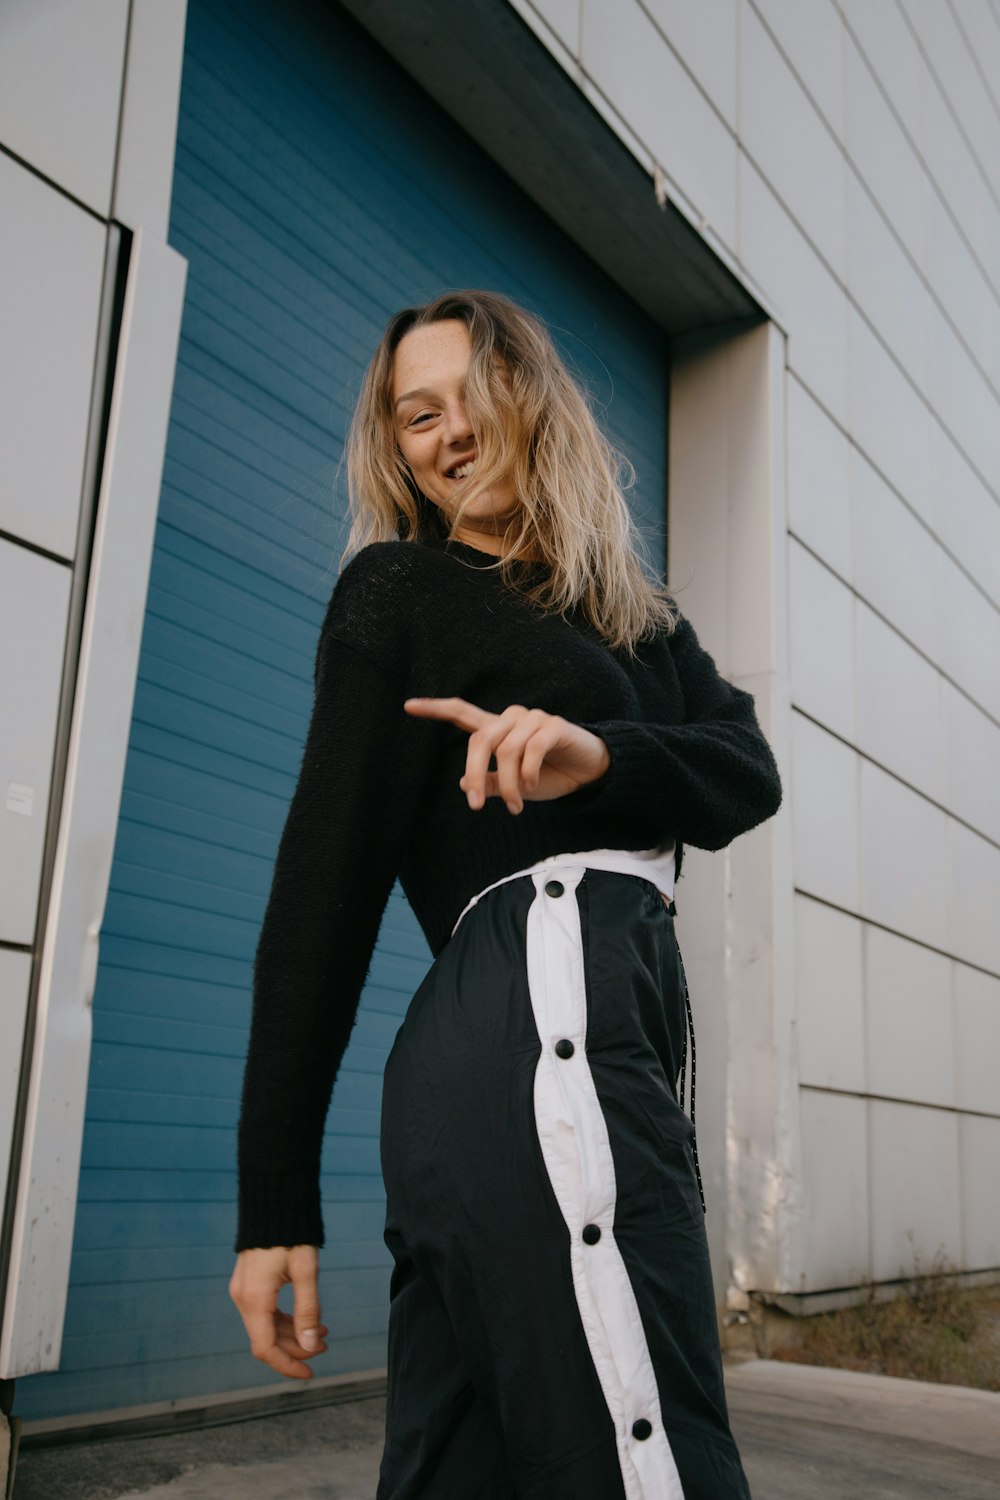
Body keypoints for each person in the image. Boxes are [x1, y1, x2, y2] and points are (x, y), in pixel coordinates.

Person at [228, 288, 782, 1498]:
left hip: (552, 1051)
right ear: (400, 452)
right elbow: (317, 899)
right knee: (642, 1459)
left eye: (469, 396)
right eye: (415, 416)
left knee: (458, 1472)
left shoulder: (636, 618)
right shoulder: (399, 593)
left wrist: (598, 752)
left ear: (531, 397)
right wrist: (273, 1205)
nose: (449, 433)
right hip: (535, 1033)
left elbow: (747, 776)